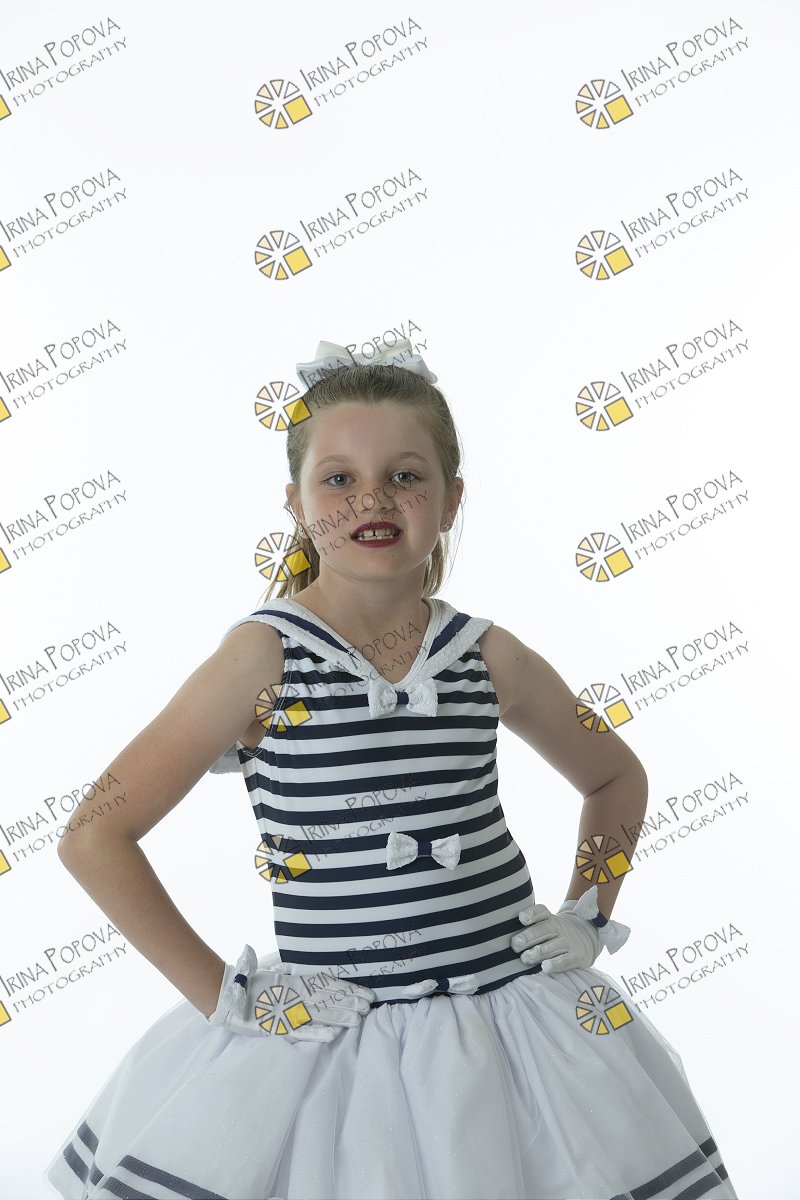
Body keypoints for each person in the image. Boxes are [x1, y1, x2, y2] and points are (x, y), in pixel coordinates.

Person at [44, 339, 739, 1200]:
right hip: (338, 1045)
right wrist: (228, 996)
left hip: (515, 1031)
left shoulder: (487, 654)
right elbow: (94, 835)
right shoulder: (263, 658)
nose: (371, 499)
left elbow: (616, 779)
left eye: (406, 476)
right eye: (339, 478)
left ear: (451, 500)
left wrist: (590, 914)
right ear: (296, 504)